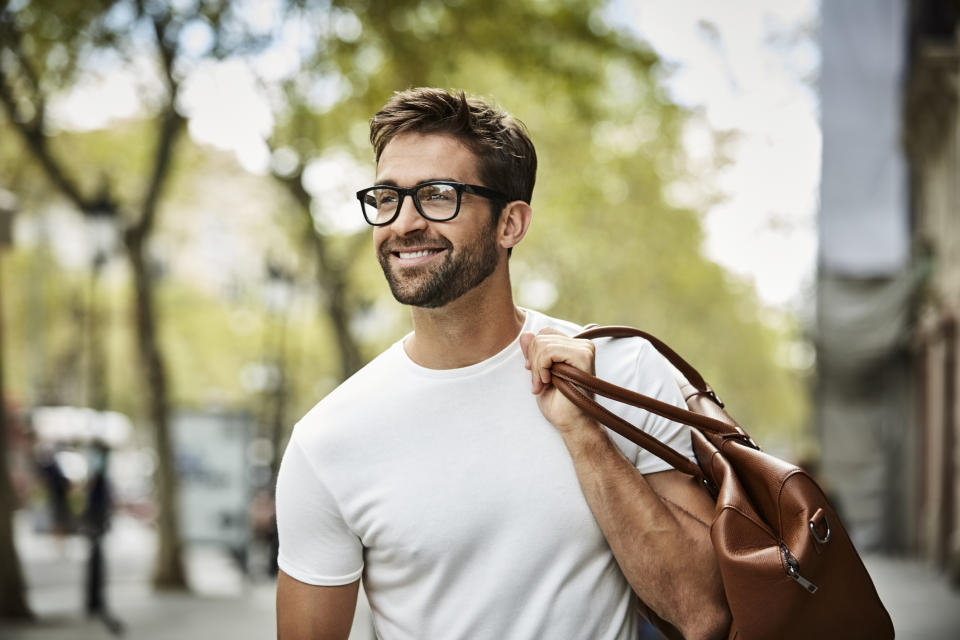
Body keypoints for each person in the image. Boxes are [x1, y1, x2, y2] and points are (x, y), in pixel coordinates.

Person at [275, 88, 730, 640]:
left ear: (510, 224)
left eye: (438, 195)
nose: (403, 223)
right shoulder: (328, 440)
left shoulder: (621, 371)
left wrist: (586, 433)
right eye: (387, 197)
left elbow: (703, 612)